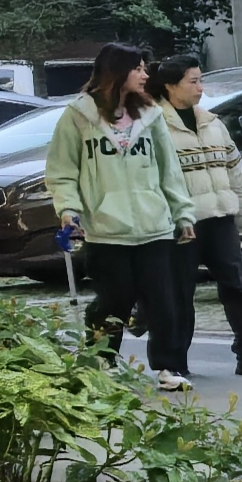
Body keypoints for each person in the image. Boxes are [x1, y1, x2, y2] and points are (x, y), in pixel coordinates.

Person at [46, 43, 193, 392]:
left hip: (154, 225)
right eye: (138, 68)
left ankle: (169, 366)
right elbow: (62, 171)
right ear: (117, 71)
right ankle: (103, 359)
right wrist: (69, 210)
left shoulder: (151, 114)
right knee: (115, 300)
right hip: (106, 228)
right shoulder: (78, 115)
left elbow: (169, 170)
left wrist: (183, 213)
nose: (145, 74)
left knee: (163, 300)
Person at [158, 59, 242, 379]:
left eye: (201, 81)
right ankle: (174, 362)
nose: (200, 88)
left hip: (220, 218)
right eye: (192, 82)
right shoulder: (156, 126)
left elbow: (235, 171)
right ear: (170, 86)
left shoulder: (212, 123)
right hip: (180, 223)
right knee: (179, 292)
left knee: (237, 285)